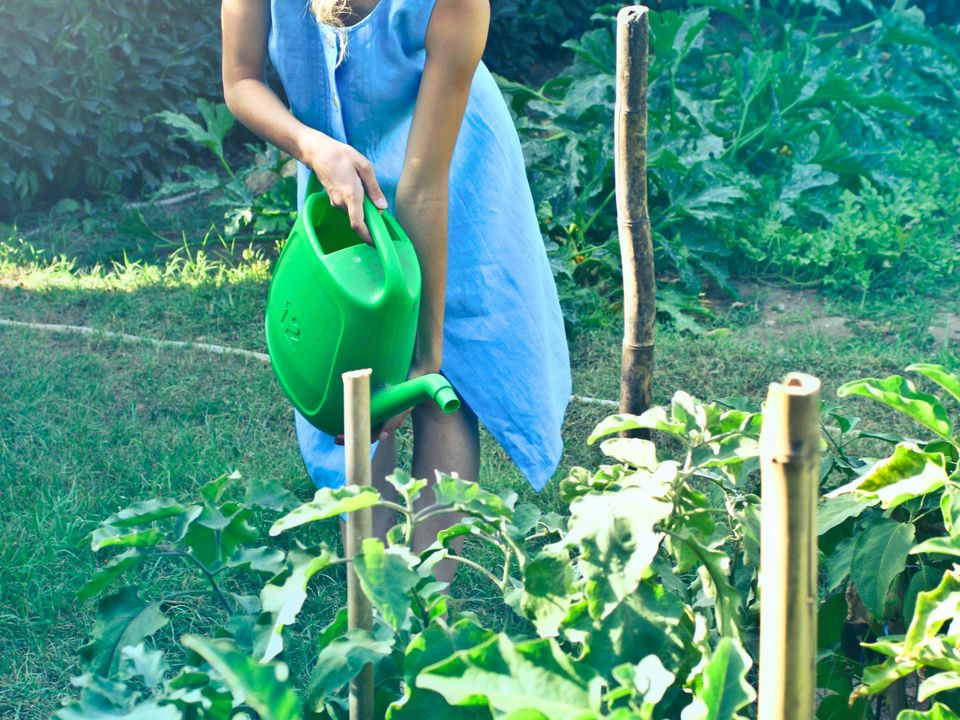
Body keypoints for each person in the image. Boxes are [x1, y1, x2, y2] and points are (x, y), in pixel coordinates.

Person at [221, 0, 571, 583]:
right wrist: (311, 145)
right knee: (349, 373)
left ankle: (426, 605)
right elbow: (240, 80)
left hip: (450, 175)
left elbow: (423, 185)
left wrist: (424, 359)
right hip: (335, 177)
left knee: (440, 388)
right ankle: (373, 594)